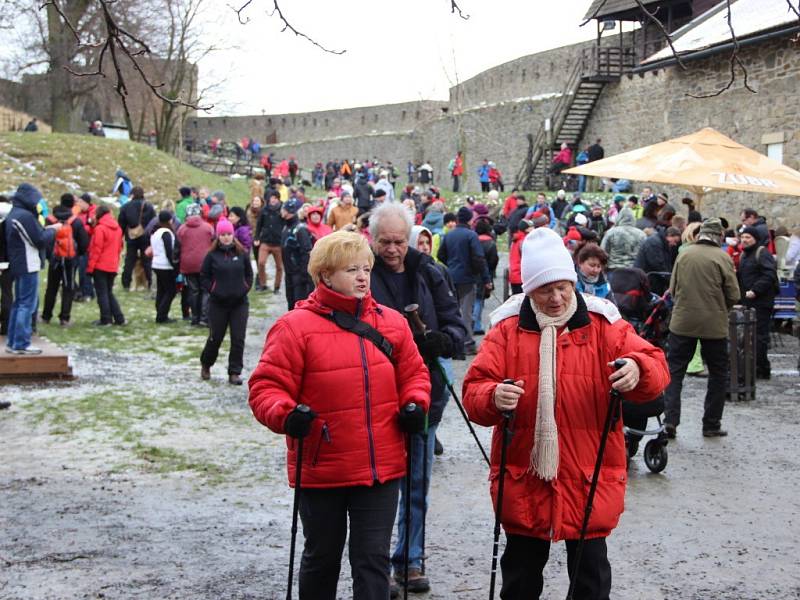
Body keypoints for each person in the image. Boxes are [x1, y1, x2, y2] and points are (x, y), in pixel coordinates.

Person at [463, 227, 669, 600]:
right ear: (529, 289)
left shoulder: (603, 323)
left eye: (563, 287)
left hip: (589, 473)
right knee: (521, 581)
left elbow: (655, 366)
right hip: (525, 474)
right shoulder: (506, 330)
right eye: (545, 290)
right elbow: (474, 392)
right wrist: (493, 396)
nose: (557, 298)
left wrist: (638, 369)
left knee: (590, 581)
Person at [248, 230, 431, 600]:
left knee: (372, 561)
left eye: (366, 268)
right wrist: (286, 415)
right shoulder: (294, 328)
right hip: (322, 467)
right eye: (352, 270)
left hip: (381, 467)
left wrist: (415, 404)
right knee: (322, 557)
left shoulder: (393, 323)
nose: (363, 277)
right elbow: (265, 388)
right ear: (326, 275)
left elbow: (415, 375)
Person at [367, 204, 465, 594]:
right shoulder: (361, 271)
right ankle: (374, 566)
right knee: (375, 486)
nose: (392, 250)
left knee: (416, 483)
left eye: (399, 242)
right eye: (385, 242)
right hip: (373, 395)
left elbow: (457, 328)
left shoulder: (431, 272)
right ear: (372, 239)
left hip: (424, 393)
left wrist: (444, 340)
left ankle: (409, 560)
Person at [664, 218, 740, 439]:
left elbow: (673, 289)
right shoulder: (723, 258)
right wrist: (720, 308)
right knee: (717, 373)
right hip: (714, 325)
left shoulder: (684, 254)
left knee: (675, 371)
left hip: (682, 322)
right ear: (719, 236)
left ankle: (670, 421)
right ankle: (711, 424)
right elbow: (733, 294)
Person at [199, 219, 253, 385]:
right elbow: (204, 277)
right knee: (216, 337)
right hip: (218, 303)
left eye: (229, 234)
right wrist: (214, 290)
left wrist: (244, 288)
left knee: (238, 338)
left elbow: (249, 275)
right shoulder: (211, 255)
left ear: (233, 235)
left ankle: (234, 372)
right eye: (222, 235)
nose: (226, 238)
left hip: (239, 303)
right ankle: (206, 363)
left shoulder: (241, 253)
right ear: (218, 236)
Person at [437, 206, 492, 355]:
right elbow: (479, 258)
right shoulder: (471, 235)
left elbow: (441, 254)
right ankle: (467, 342)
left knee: (454, 311)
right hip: (467, 278)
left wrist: (451, 264)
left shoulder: (449, 235)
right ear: (469, 219)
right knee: (467, 312)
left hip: (451, 276)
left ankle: (455, 340)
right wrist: (485, 278)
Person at [5, 184, 51, 354]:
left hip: (19, 263)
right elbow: (38, 239)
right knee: (26, 305)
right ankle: (21, 343)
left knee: (19, 303)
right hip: (27, 264)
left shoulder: (14, 213)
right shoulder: (24, 216)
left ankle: (13, 341)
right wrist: (52, 232)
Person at [737, 226, 779, 379]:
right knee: (750, 336)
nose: (744, 240)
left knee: (759, 337)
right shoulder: (743, 255)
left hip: (762, 303)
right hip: (748, 302)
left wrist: (755, 290)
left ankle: (761, 368)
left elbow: (769, 275)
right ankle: (755, 366)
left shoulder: (762, 253)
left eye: (748, 237)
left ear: (755, 239)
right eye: (743, 237)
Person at [41, 193, 89, 327]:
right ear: (72, 204)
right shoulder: (76, 221)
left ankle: (46, 316)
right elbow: (84, 242)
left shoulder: (50, 219)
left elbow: (44, 238)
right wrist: (77, 254)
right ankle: (65, 318)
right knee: (68, 288)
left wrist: (50, 255)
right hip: (70, 259)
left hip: (54, 258)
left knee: (51, 287)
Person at [86, 204, 125, 327]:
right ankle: (119, 317)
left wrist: (90, 267)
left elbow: (96, 249)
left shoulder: (100, 229)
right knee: (108, 292)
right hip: (112, 264)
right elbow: (120, 247)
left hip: (100, 265)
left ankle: (106, 319)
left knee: (102, 293)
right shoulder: (118, 228)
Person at [177, 203, 213, 326]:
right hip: (204, 263)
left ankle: (194, 317)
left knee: (193, 291)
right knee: (205, 290)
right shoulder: (208, 228)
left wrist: (176, 262)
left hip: (188, 264)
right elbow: (214, 243)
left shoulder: (182, 229)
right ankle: (204, 318)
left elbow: (177, 247)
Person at [118, 186, 156, 291]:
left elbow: (121, 224)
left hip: (131, 237)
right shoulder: (149, 206)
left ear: (132, 194)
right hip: (146, 237)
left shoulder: (125, 207)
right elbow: (154, 222)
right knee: (147, 260)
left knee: (129, 260)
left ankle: (126, 283)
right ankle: (150, 282)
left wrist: (121, 237)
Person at [281, 197, 314, 310]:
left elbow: (307, 251)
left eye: (283, 209)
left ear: (288, 211)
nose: (282, 211)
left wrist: (304, 274)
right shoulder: (286, 227)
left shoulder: (300, 229)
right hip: (289, 273)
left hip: (299, 275)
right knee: (290, 304)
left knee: (299, 306)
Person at [633, 226, 681, 296]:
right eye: (675, 241)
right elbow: (658, 265)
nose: (675, 244)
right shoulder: (654, 243)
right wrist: (671, 281)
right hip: (647, 279)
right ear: (669, 236)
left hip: (651, 279)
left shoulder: (661, 243)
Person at [150, 210, 179, 324]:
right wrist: (174, 265)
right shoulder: (166, 232)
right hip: (165, 265)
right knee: (171, 291)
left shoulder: (155, 232)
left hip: (156, 263)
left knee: (161, 290)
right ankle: (162, 315)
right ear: (169, 220)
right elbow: (169, 251)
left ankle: (160, 312)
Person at [600, 207, 646, 275]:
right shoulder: (641, 234)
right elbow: (644, 253)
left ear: (619, 218)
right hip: (635, 271)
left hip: (614, 270)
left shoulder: (611, 232)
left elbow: (602, 252)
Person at [254, 191, 284, 293]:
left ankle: (277, 287)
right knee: (261, 263)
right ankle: (263, 284)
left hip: (278, 243)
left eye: (275, 198)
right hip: (265, 241)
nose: (273, 199)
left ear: (278, 199)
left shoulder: (282, 210)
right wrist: (256, 237)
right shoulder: (264, 210)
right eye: (272, 198)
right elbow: (259, 225)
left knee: (279, 267)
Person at [473, 219, 498, 335]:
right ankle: (476, 324)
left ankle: (475, 322)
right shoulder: (491, 244)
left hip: (473, 274)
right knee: (479, 299)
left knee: (475, 299)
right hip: (485, 274)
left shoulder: (474, 241)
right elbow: (494, 261)